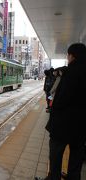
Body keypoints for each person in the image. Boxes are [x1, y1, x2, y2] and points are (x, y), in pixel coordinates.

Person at [44, 43, 86, 180]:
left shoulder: (70, 73)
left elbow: (61, 100)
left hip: (63, 126)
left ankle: (53, 177)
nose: (67, 58)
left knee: (56, 155)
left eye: (68, 55)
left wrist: (52, 106)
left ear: (72, 56)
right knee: (76, 159)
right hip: (81, 128)